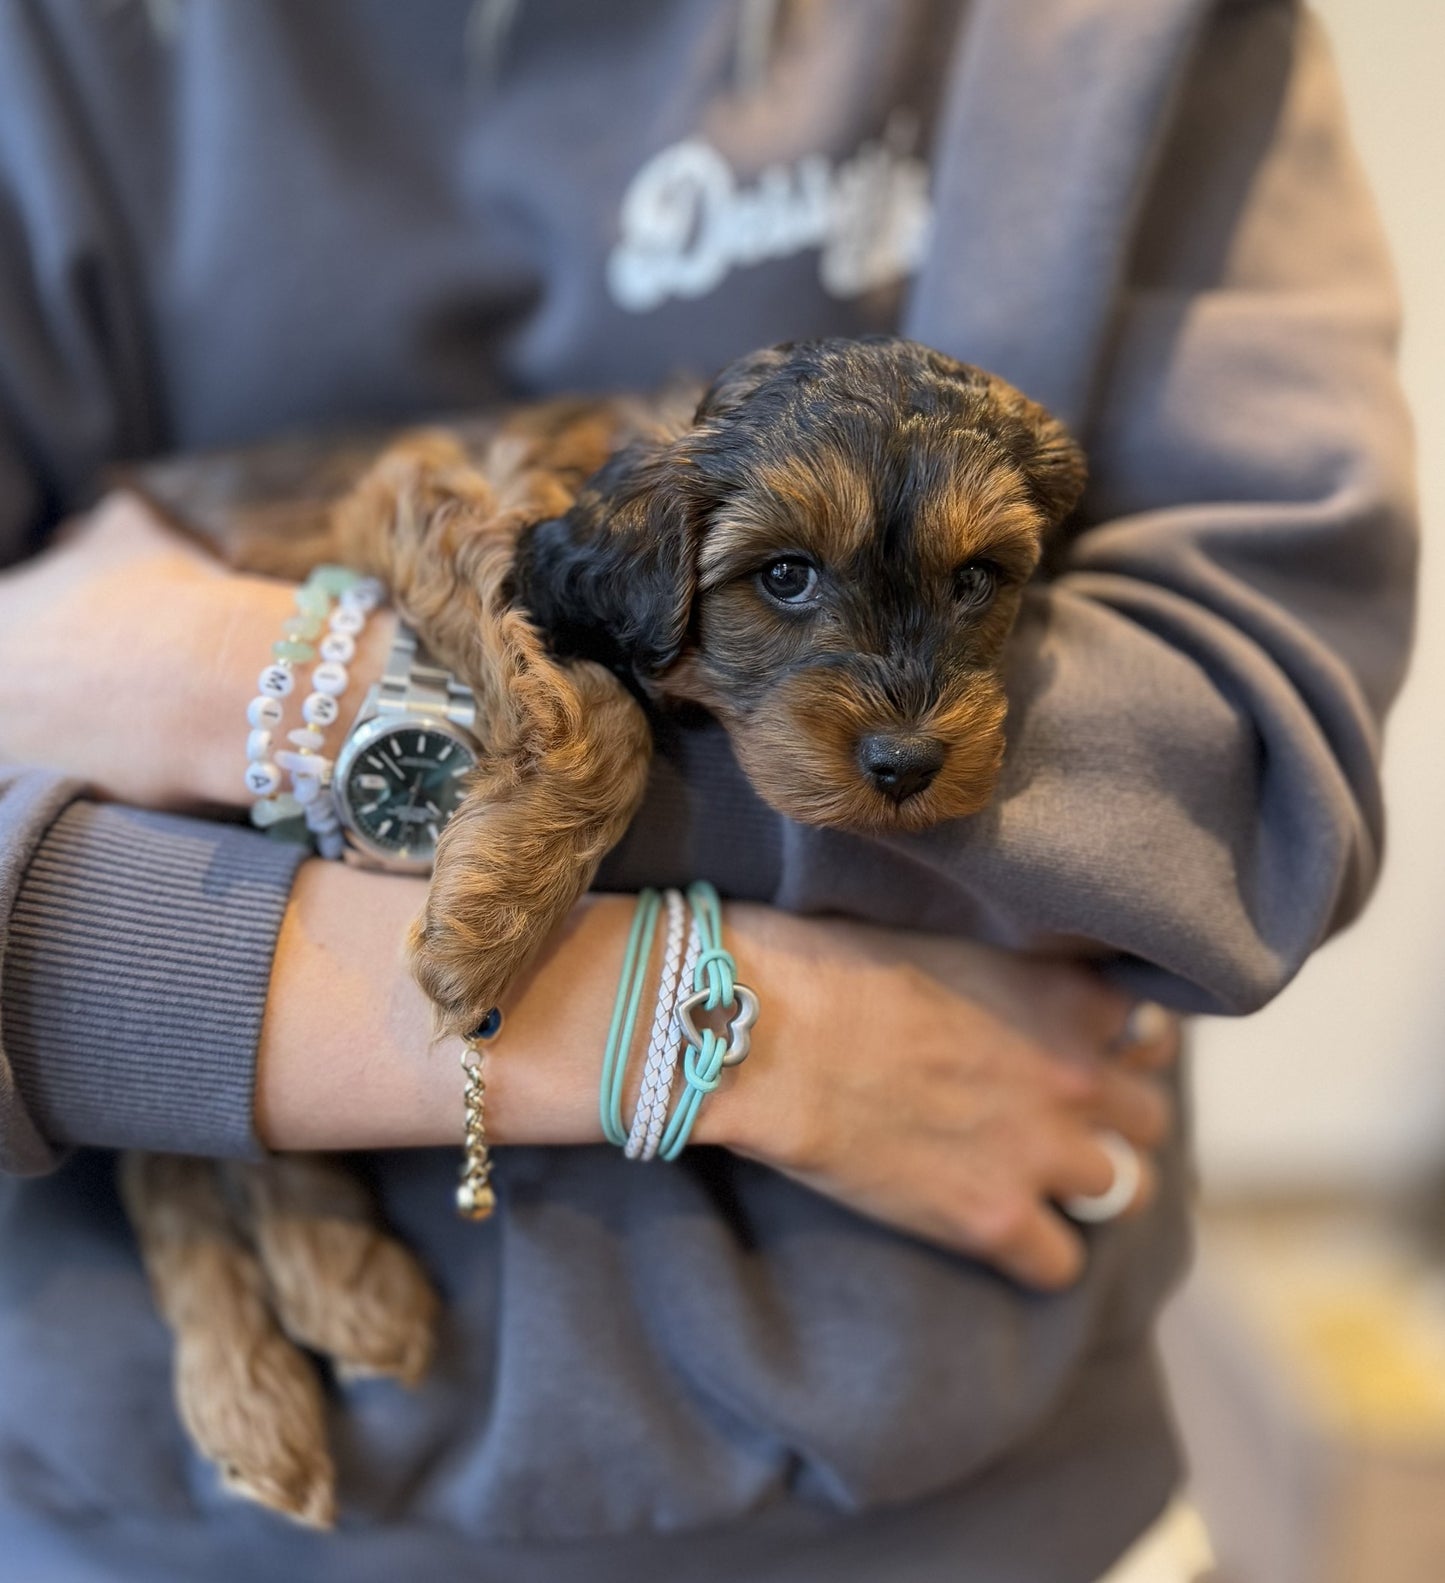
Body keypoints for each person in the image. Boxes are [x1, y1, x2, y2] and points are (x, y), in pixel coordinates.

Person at [0, 2, 1414, 1581]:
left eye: (977, 593)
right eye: (785, 582)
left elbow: (1240, 767)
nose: (898, 719)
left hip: (969, 1517)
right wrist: (729, 1034)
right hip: (150, 1530)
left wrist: (222, 699)